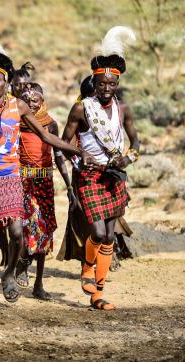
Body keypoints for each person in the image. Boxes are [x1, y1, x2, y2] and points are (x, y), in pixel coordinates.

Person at [0, 16, 91, 311]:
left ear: (6, 82)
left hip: (12, 176)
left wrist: (75, 151)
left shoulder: (19, 106)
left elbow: (45, 136)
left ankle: (10, 272)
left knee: (15, 232)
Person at [61, 26, 139, 310]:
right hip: (89, 175)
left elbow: (137, 141)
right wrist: (82, 157)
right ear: (94, 83)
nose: (106, 88)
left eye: (112, 84)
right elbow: (64, 144)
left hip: (114, 175)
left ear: (117, 84)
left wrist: (128, 158)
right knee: (99, 232)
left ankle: (98, 294)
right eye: (101, 84)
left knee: (110, 236)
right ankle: (86, 268)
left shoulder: (124, 109)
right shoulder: (81, 109)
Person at [14, 82, 76, 300]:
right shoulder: (16, 122)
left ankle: (38, 284)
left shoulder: (50, 125)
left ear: (43, 101)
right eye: (26, 100)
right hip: (21, 183)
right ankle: (20, 263)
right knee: (21, 230)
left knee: (44, 232)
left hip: (44, 184)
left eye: (35, 100)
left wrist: (68, 185)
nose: (31, 104)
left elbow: (58, 155)